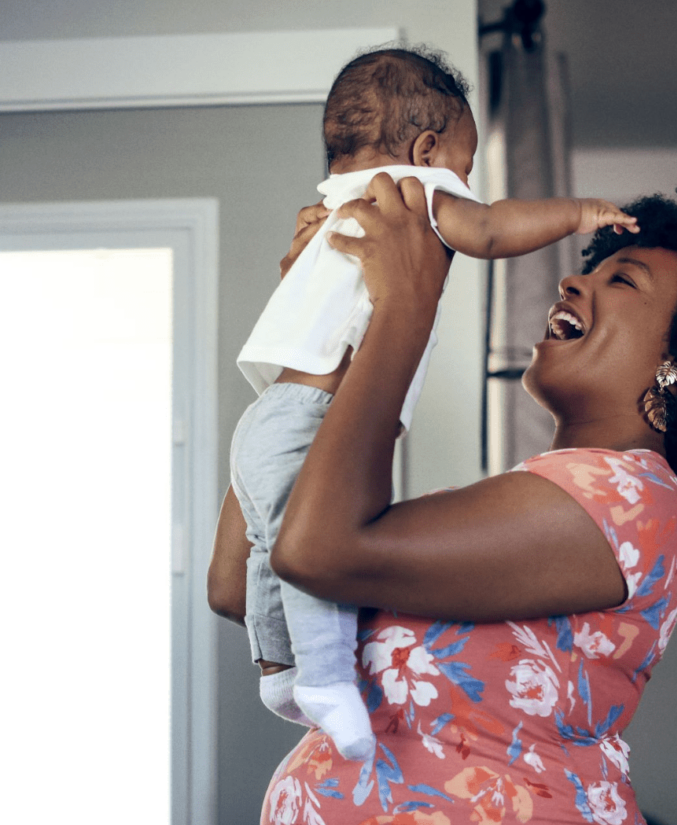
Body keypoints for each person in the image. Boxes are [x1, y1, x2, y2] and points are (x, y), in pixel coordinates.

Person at [208, 175, 677, 825]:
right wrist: (323, 330)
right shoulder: (540, 502)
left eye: (623, 280)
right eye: (592, 271)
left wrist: (407, 302)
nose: (572, 284)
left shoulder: (636, 501)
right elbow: (244, 586)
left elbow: (316, 551)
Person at [227, 45, 638, 762]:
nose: (467, 186)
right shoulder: (413, 191)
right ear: (425, 149)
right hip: (305, 419)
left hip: (264, 415)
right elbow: (492, 228)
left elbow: (232, 583)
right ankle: (320, 677)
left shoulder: (333, 205)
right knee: (293, 557)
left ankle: (277, 667)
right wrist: (575, 212)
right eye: (466, 166)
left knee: (271, 553)